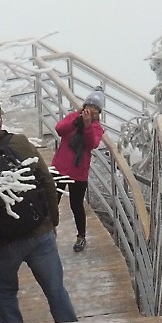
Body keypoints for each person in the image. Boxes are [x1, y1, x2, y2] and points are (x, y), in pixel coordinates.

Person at [0, 99, 78, 323]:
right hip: (38, 231)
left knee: (6, 293)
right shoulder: (19, 143)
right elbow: (48, 182)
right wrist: (53, 222)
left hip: (2, 240)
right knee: (55, 290)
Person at [51, 89, 107, 252]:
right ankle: (49, 232)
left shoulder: (97, 127)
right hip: (60, 166)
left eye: (94, 108)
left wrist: (88, 125)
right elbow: (60, 129)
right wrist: (76, 122)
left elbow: (92, 144)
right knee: (52, 200)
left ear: (99, 112)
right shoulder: (73, 117)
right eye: (88, 106)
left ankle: (81, 236)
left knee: (76, 205)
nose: (90, 110)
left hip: (78, 172)